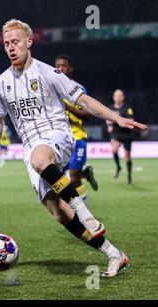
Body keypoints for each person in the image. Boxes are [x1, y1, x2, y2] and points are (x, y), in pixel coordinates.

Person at [0, 19, 147, 277]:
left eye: (15, 42)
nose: (10, 48)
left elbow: (83, 101)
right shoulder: (1, 83)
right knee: (59, 213)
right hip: (30, 149)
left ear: (29, 41)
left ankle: (84, 209)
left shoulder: (49, 73)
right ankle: (114, 254)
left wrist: (114, 117)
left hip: (56, 135)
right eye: (6, 44)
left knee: (41, 159)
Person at [54, 54, 98, 202]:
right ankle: (84, 173)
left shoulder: (78, 89)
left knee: (73, 178)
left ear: (70, 69)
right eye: (58, 66)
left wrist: (68, 107)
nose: (60, 68)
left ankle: (82, 212)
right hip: (57, 139)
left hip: (77, 137)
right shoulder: (50, 88)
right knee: (58, 180)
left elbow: (87, 115)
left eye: (64, 66)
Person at [106, 89, 136, 185]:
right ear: (114, 97)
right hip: (116, 133)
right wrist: (110, 125)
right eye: (116, 96)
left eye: (120, 96)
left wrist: (120, 119)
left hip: (126, 133)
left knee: (127, 157)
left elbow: (131, 121)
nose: (118, 98)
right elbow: (107, 119)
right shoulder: (110, 108)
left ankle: (129, 176)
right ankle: (118, 167)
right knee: (114, 150)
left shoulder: (128, 108)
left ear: (122, 97)